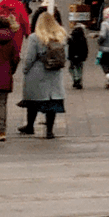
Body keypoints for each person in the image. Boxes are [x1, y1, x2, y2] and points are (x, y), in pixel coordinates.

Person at [17, 10, 67, 139]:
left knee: (33, 101)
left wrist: (25, 70)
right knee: (52, 103)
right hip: (55, 74)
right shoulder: (61, 36)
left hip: (38, 73)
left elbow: (30, 58)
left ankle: (30, 126)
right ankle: (49, 131)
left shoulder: (35, 37)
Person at [66, 20, 89, 90]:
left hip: (73, 56)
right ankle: (79, 79)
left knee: (72, 68)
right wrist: (85, 56)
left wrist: (69, 57)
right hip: (81, 56)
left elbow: (69, 47)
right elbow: (86, 48)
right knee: (80, 68)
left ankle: (75, 79)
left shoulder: (71, 38)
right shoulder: (83, 38)